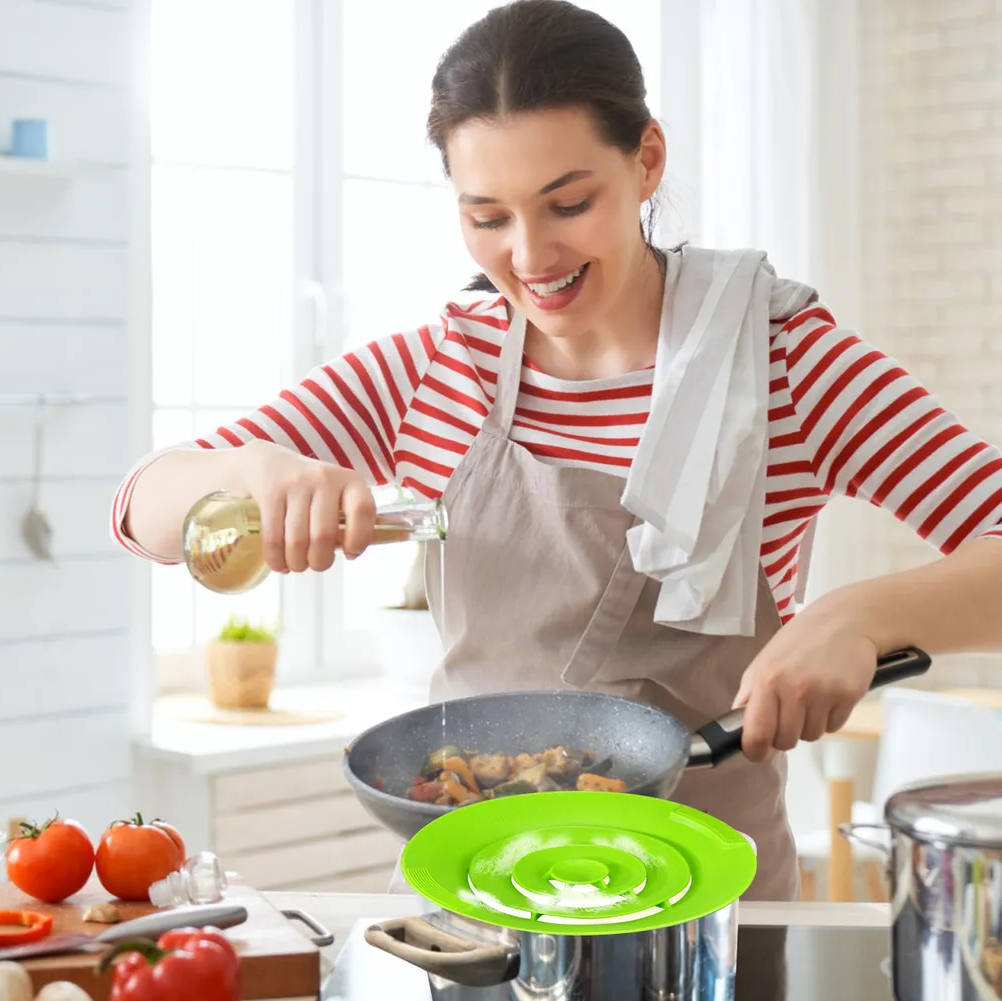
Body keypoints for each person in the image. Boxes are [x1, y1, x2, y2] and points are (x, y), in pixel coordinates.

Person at [112, 0, 1002, 900]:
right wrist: (251, 470)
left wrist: (859, 616)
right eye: (486, 216)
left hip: (705, 908)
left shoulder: (783, 367)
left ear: (647, 160)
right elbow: (142, 507)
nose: (529, 255)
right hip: (470, 896)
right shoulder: (437, 368)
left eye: (567, 203)